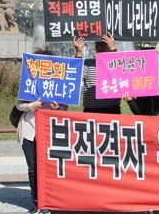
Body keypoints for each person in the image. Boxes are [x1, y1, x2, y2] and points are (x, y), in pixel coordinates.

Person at [15, 48, 68, 214]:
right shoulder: (28, 81)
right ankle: (37, 202)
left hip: (48, 131)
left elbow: (65, 108)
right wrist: (32, 106)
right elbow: (18, 104)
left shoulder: (58, 83)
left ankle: (47, 202)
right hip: (29, 130)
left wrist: (57, 107)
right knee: (32, 168)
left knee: (46, 168)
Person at [73, 33, 122, 114]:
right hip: (91, 110)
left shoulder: (116, 62)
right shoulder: (88, 63)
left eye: (103, 44)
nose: (99, 47)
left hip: (112, 109)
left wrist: (113, 48)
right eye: (97, 44)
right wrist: (78, 52)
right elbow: (76, 75)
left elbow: (118, 69)